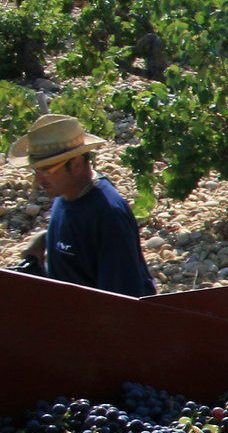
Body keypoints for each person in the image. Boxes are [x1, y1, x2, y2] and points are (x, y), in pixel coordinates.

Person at [7, 114, 156, 298]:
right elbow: (81, 237)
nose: (37, 181)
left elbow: (122, 302)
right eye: (35, 170)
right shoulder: (68, 192)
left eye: (46, 170)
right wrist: (45, 239)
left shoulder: (107, 216)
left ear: (76, 164)